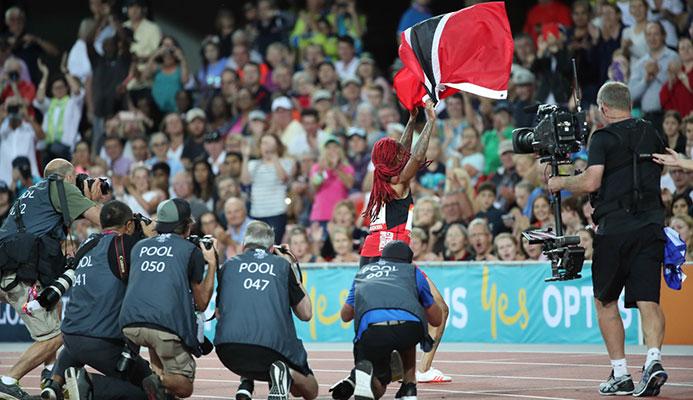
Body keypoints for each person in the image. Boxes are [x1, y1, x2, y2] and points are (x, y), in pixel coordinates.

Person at [548, 81, 668, 396]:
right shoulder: (651, 130)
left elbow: (591, 181)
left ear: (603, 108)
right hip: (651, 225)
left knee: (605, 300)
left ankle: (621, 373)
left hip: (615, 228)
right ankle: (654, 358)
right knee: (648, 299)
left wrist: (560, 182)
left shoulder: (602, 136)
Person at [0, 158, 103, 399]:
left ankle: (49, 371)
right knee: (57, 335)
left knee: (53, 305)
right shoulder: (62, 187)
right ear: (69, 178)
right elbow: (102, 219)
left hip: (6, 267)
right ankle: (8, 380)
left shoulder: (33, 192)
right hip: (19, 274)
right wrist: (92, 200)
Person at [41, 200, 156, 400]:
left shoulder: (88, 243)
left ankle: (55, 383)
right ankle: (89, 383)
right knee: (152, 392)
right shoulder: (127, 244)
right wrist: (147, 236)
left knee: (77, 340)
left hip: (70, 338)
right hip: (103, 343)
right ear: (129, 225)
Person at [120, 198, 219, 399]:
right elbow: (201, 304)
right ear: (189, 225)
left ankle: (155, 379)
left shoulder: (139, 247)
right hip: (164, 326)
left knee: (158, 365)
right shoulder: (190, 251)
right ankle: (151, 381)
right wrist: (212, 264)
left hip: (130, 326)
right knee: (183, 386)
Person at [215, 221, 318, 400]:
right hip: (272, 350)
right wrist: (291, 268)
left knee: (251, 334)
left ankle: (246, 383)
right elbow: (306, 314)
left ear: (242, 246)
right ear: (272, 248)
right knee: (311, 390)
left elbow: (219, 315)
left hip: (228, 351)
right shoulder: (282, 266)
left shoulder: (227, 266)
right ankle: (288, 375)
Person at [338, 240, 442, 400]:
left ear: (382, 259)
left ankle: (363, 380)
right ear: (409, 261)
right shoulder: (413, 271)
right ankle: (409, 387)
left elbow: (345, 316)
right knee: (408, 326)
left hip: (373, 332)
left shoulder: (363, 272)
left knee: (379, 381)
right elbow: (436, 320)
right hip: (408, 331)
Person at [359, 100, 435, 266]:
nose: (401, 152)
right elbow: (416, 156)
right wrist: (430, 121)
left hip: (370, 250)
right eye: (397, 152)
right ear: (394, 158)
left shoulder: (381, 178)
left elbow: (401, 150)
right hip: (393, 249)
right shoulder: (399, 181)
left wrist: (411, 120)